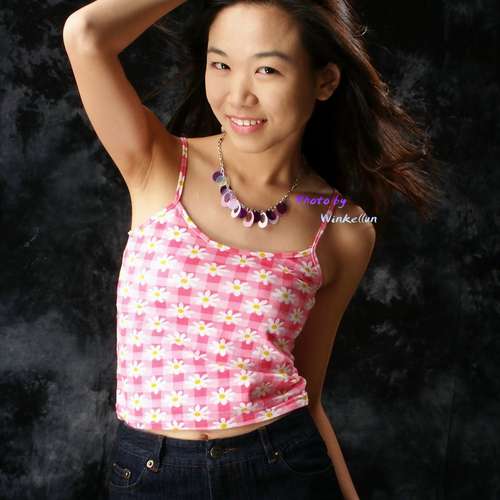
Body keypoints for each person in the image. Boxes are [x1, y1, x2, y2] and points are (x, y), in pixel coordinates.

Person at [63, 1, 441, 498]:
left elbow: (309, 397)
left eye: (267, 69)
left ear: (325, 81)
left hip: (283, 469)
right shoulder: (157, 161)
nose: (238, 95)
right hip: (150, 475)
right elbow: (85, 33)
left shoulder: (345, 226)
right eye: (221, 64)